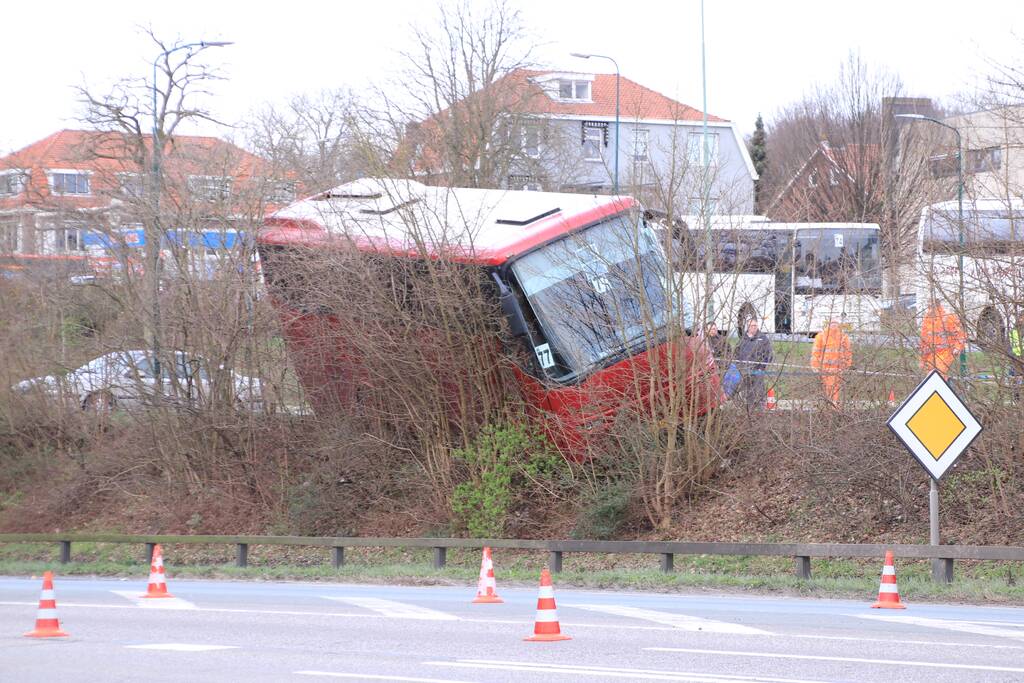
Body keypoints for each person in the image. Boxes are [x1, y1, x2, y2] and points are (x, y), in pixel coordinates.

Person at [811, 319, 853, 407]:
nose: (834, 325)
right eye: (832, 323)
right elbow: (816, 352)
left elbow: (848, 353)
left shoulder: (843, 337)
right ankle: (830, 406)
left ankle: (832, 405)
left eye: (835, 323)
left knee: (834, 389)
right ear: (828, 324)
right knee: (829, 388)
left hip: (837, 369)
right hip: (825, 369)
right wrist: (815, 366)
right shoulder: (821, 336)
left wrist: (846, 365)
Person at [920, 301, 966, 378]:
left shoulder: (948, 317)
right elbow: (924, 340)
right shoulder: (927, 319)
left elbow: (960, 335)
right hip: (931, 353)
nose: (930, 309)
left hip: (946, 352)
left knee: (939, 372)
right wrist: (922, 359)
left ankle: (943, 388)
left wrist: (957, 348)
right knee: (931, 375)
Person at [736, 319, 774, 409]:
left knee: (759, 390)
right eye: (751, 326)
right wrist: (739, 366)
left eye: (755, 325)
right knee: (747, 390)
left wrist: (762, 367)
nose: (754, 327)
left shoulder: (763, 338)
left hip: (758, 370)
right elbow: (736, 354)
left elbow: (768, 354)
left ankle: (761, 409)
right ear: (747, 327)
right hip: (745, 370)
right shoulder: (742, 339)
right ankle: (749, 408)